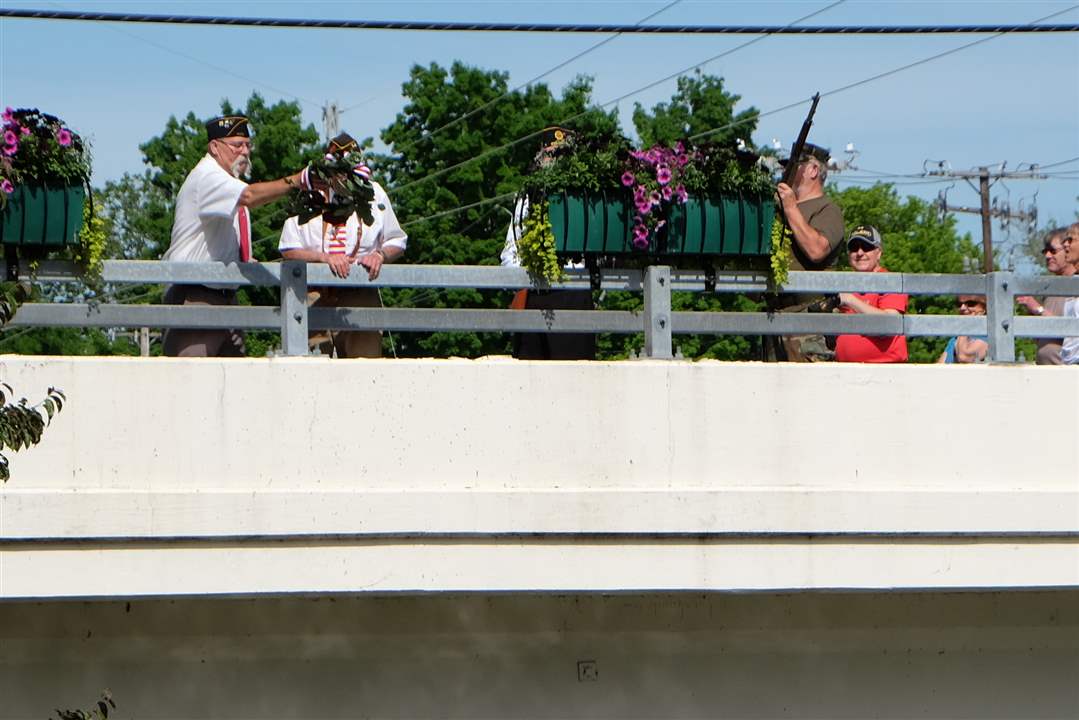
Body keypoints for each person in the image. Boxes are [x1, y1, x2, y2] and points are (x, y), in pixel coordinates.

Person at [162, 115, 307, 357]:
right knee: (192, 382)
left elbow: (223, 243)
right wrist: (299, 181)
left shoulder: (229, 183)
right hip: (197, 294)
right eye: (237, 145)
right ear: (215, 147)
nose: (245, 152)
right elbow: (249, 196)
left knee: (233, 385)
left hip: (224, 295)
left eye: (248, 145)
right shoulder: (208, 176)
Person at [278, 133, 406, 358]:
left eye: (350, 173)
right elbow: (288, 248)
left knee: (365, 370)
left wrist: (380, 255)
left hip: (360, 292)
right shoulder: (309, 195)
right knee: (311, 373)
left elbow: (397, 240)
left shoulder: (374, 193)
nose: (344, 180)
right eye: (338, 173)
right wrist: (323, 258)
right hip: (313, 294)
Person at [501, 127, 595, 360]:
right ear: (540, 157)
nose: (555, 161)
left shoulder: (584, 198)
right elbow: (511, 251)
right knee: (530, 380)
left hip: (574, 294)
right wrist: (525, 281)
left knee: (576, 377)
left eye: (562, 155)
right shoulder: (527, 198)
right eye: (551, 154)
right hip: (534, 293)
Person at [764, 142, 846, 362]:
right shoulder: (780, 209)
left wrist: (790, 208)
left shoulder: (827, 210)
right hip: (775, 317)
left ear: (813, 170)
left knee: (809, 392)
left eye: (796, 165)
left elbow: (817, 249)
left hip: (809, 322)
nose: (787, 170)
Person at [834, 225, 908, 363]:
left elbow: (890, 324)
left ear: (879, 252)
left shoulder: (890, 281)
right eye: (854, 247)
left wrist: (850, 300)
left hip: (883, 371)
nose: (860, 252)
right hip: (845, 372)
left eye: (867, 247)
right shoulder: (846, 284)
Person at [1015, 228, 1076, 364]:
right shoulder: (1050, 289)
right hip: (1046, 373)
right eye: (1045, 251)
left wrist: (1039, 309)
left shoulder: (1075, 287)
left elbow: (1071, 331)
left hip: (1067, 374)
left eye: (1053, 251)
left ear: (1067, 250)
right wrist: (1033, 315)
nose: (1048, 256)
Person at [937, 295, 988, 364]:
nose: (962, 308)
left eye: (970, 303)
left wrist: (965, 324)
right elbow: (939, 367)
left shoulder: (989, 336)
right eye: (959, 304)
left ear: (984, 308)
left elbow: (964, 357)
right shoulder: (955, 339)